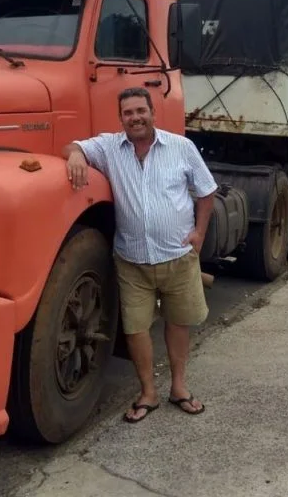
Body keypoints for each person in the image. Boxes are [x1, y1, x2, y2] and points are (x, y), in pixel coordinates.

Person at [62, 86, 217, 424]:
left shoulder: (181, 147)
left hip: (177, 256)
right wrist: (74, 156)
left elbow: (207, 192)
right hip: (132, 261)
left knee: (178, 323)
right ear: (121, 119)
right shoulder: (109, 148)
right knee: (135, 329)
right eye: (128, 113)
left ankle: (179, 387)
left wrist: (199, 234)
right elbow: (74, 146)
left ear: (153, 113)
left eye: (140, 111)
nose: (135, 118)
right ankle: (148, 392)